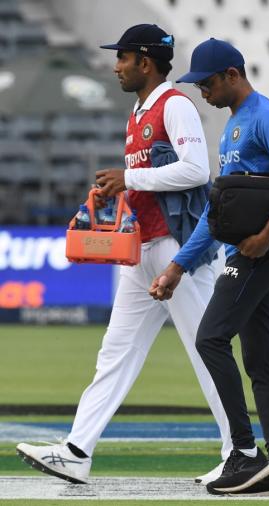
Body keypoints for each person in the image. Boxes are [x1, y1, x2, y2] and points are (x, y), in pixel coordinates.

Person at [16, 24, 232, 485]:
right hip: (143, 250)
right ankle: (76, 451)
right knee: (115, 352)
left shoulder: (175, 105)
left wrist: (129, 180)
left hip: (178, 250)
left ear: (145, 61)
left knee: (206, 352)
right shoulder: (137, 113)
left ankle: (240, 453)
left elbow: (197, 171)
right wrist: (118, 195)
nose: (116, 66)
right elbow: (151, 180)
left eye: (123, 58)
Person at [149, 39, 269, 497]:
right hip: (243, 252)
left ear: (231, 74)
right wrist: (178, 267)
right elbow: (215, 212)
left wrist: (266, 236)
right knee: (260, 357)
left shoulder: (264, 116)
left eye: (206, 82)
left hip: (258, 254)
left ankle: (244, 453)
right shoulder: (232, 127)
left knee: (210, 338)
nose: (202, 91)